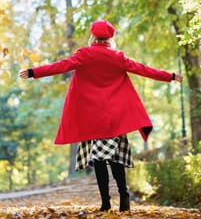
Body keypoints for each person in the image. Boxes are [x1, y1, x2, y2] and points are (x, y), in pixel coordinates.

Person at [19, 20, 183, 212]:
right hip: (114, 119)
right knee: (115, 159)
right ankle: (124, 197)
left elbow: (61, 66)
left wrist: (33, 72)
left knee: (98, 160)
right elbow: (143, 69)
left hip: (92, 120)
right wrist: (169, 76)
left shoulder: (84, 54)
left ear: (93, 37)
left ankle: (105, 202)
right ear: (110, 38)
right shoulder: (118, 57)